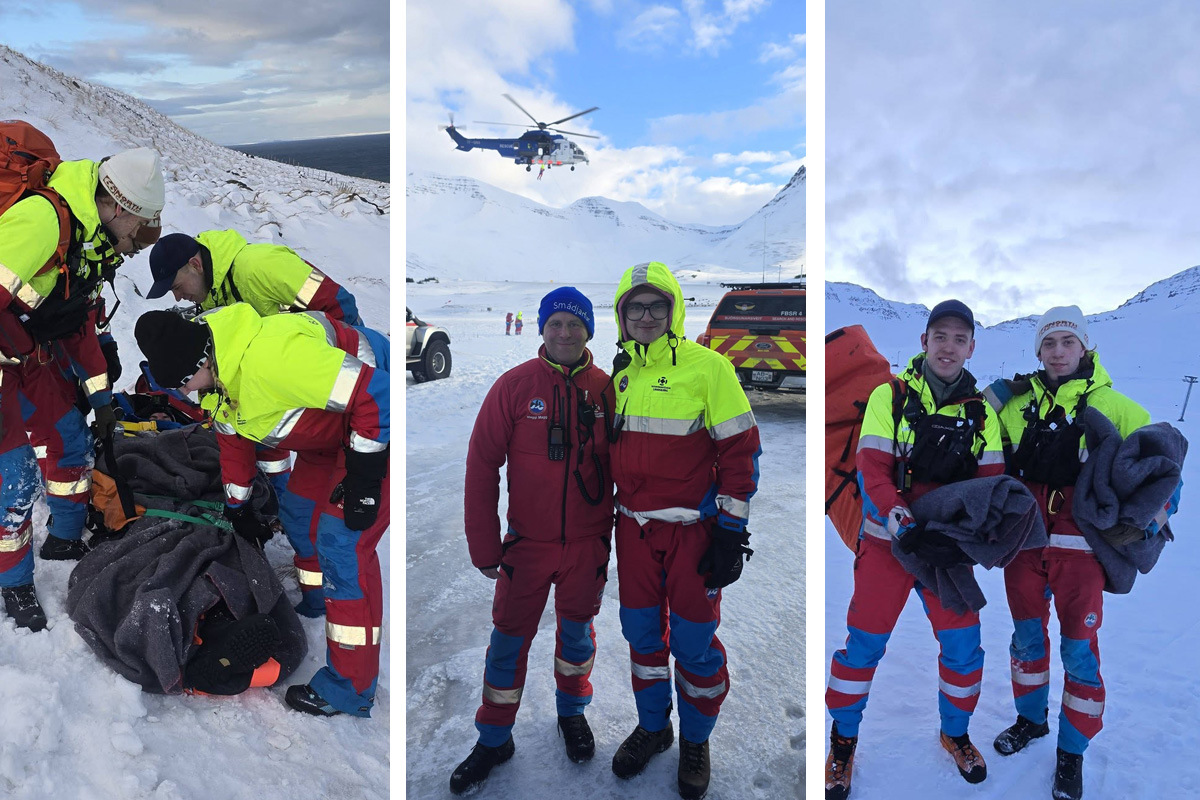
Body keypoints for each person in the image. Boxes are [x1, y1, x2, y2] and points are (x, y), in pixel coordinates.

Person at [134, 303, 389, 717]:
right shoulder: (219, 385)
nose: (182, 396)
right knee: (299, 514)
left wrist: (363, 479)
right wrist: (237, 508)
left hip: (375, 431)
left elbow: (379, 395)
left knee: (343, 546)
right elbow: (234, 450)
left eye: (180, 384)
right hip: (331, 434)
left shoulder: (270, 357)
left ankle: (349, 690)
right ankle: (317, 598)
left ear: (197, 363)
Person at [824, 299, 1005, 799]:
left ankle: (956, 733)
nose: (948, 347)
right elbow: (872, 468)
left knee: (964, 648)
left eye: (959, 338)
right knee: (863, 646)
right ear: (924, 342)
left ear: (971, 348)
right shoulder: (890, 395)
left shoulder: (981, 414)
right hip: (886, 544)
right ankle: (843, 742)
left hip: (944, 554)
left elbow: (989, 484)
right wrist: (903, 523)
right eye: (940, 336)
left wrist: (964, 539)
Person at [984, 306, 1158, 800]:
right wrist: (997, 393)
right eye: (1048, 343)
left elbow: (1164, 474)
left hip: (1080, 553)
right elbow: (967, 421)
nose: (1058, 352)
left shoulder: (1117, 407)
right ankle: (1031, 721)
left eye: (1067, 342)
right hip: (1024, 545)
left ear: (1085, 348)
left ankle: (1072, 751)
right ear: (1037, 351)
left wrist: (1145, 524)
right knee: (1026, 643)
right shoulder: (1015, 406)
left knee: (1079, 651)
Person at [146, 230, 365, 616]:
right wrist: (238, 505)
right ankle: (289, 524)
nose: (178, 297)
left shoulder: (260, 267)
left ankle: (321, 559)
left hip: (323, 387)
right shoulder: (210, 298)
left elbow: (339, 304)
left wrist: (330, 371)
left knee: (329, 524)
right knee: (282, 477)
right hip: (268, 395)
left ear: (196, 264)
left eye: (177, 286)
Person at [449, 286, 614, 795]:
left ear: (589, 330)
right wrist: (484, 546)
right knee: (507, 642)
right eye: (555, 324)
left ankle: (572, 714)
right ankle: (494, 737)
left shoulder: (608, 390)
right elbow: (482, 466)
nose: (564, 333)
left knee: (577, 639)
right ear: (541, 329)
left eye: (574, 324)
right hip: (527, 545)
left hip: (587, 544)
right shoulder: (515, 387)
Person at [607, 262, 760, 800]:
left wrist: (730, 533)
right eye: (635, 307)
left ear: (673, 310)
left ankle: (696, 738)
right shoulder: (621, 374)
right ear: (622, 315)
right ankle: (654, 727)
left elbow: (741, 452)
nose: (645, 316)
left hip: (695, 532)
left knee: (694, 643)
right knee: (643, 637)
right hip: (635, 533)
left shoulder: (709, 367)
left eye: (656, 306)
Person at [0, 145, 164, 630]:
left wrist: (101, 399)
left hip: (29, 351)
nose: (138, 241)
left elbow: (79, 324)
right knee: (16, 478)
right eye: (140, 227)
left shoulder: (89, 243)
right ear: (118, 207)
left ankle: (65, 538)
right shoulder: (44, 221)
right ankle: (14, 583)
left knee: (70, 441)